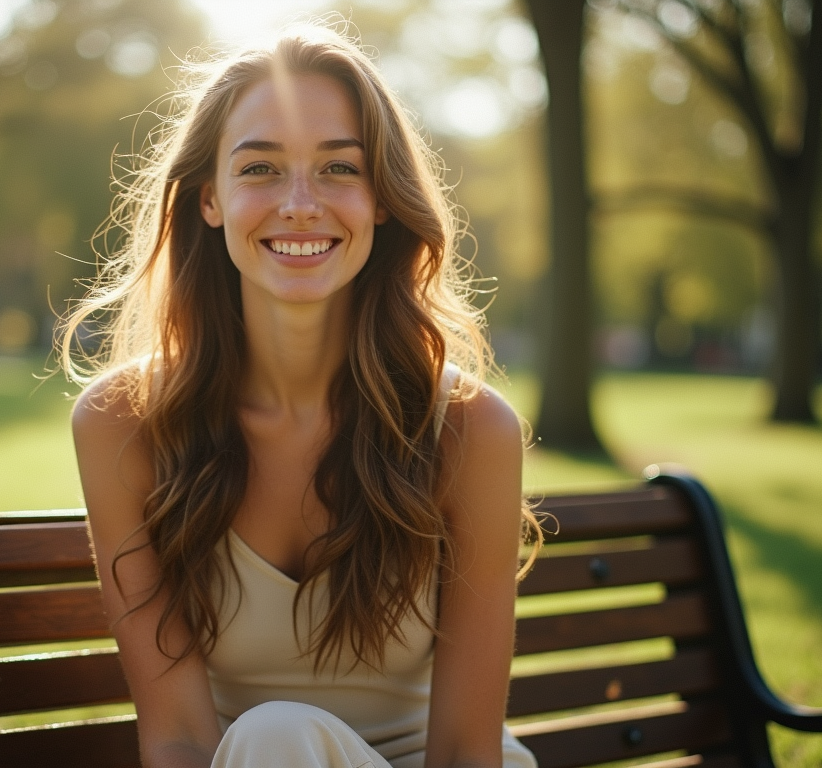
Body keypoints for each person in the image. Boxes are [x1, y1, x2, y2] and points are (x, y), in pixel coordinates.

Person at [61, 21, 541, 768]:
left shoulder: (469, 430)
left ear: (382, 199)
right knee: (272, 739)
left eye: (339, 170)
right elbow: (182, 738)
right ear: (209, 199)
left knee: (274, 735)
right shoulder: (123, 425)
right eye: (259, 170)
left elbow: (463, 751)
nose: (299, 204)